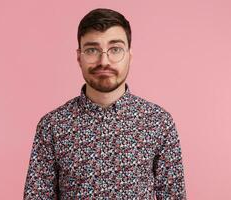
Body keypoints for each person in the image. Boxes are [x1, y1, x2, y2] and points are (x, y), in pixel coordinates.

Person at [23, 8, 186, 199]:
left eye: (115, 49)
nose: (104, 61)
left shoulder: (158, 122)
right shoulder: (52, 126)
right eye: (92, 50)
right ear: (79, 57)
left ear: (129, 55)